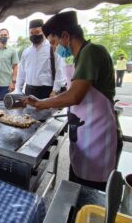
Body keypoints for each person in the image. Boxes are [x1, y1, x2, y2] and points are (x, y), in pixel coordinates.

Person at [25, 11, 121, 191]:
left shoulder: (92, 52)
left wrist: (41, 103)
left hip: (98, 138)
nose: (55, 48)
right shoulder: (79, 58)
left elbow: (74, 96)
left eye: (54, 42)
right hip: (85, 135)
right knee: (76, 188)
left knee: (88, 195)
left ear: (66, 36)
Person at [15, 19, 66, 99]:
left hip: (47, 92)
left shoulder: (52, 48)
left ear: (43, 32)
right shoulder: (26, 52)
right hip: (29, 91)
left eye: (37, 32)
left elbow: (60, 70)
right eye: (31, 33)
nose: (34, 35)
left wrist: (55, 90)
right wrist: (18, 89)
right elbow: (21, 72)